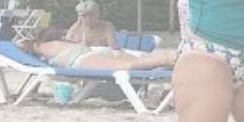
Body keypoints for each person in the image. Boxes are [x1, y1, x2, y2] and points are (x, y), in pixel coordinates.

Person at [18, 28, 177, 70]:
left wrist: (24, 43)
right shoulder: (56, 42)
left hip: (81, 59)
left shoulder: (40, 46)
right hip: (88, 53)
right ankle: (170, 57)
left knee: (127, 67)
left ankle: (167, 59)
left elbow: (21, 44)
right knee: (137, 61)